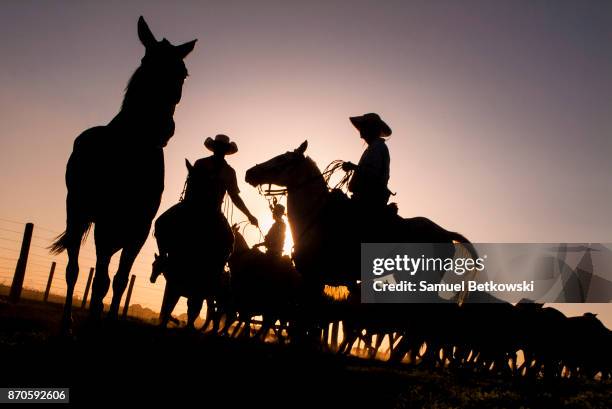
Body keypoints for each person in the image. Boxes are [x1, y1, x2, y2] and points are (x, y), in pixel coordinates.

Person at [342, 113, 392, 210]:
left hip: (369, 200)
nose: (361, 136)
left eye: (363, 130)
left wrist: (353, 167)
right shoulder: (374, 147)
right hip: (364, 197)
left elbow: (373, 174)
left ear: (371, 129)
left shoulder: (378, 147)